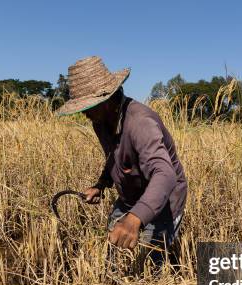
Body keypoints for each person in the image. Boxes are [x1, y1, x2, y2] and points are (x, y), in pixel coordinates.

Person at [57, 56, 187, 273]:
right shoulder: (101, 121)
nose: (84, 113)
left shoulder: (140, 122)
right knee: (114, 255)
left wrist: (135, 219)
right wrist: (101, 184)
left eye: (88, 106)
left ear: (106, 100)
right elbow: (114, 157)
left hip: (162, 200)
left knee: (151, 264)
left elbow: (165, 174)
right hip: (130, 194)